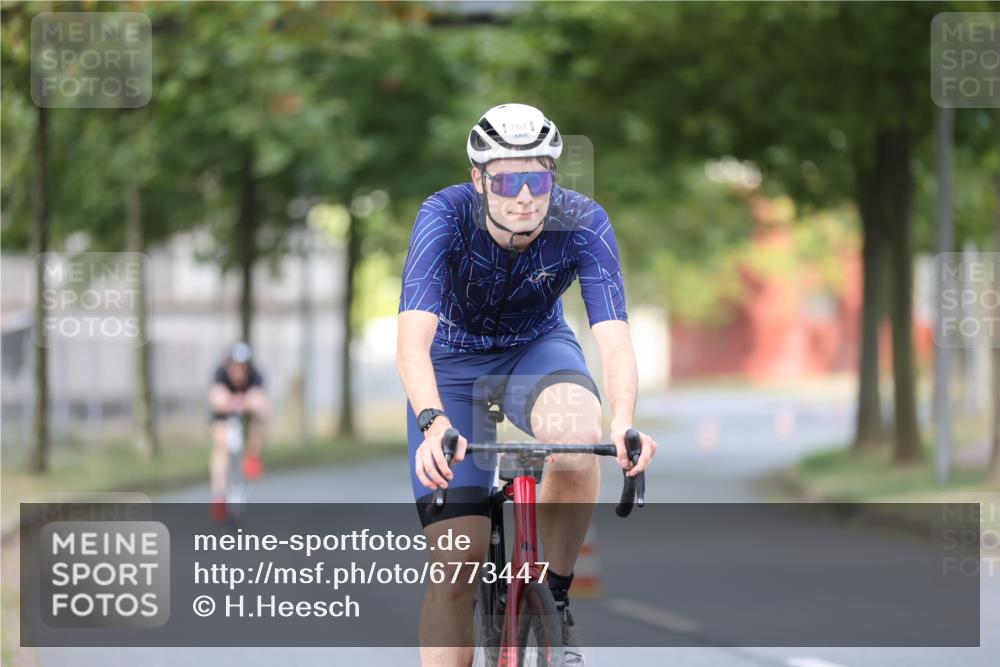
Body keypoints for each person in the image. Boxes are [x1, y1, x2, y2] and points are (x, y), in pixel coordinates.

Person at [397, 103, 658, 666]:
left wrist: (624, 421)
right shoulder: (443, 216)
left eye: (536, 179)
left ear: (552, 179)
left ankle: (554, 597)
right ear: (479, 180)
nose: (523, 196)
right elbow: (411, 340)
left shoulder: (583, 222)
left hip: (536, 351)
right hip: (453, 364)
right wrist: (430, 420)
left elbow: (613, 336)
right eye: (507, 180)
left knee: (575, 440)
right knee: (456, 567)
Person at [208, 341, 269, 521]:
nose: (239, 370)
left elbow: (260, 401)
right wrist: (240, 401)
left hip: (248, 415)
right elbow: (216, 398)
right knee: (221, 443)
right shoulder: (220, 373)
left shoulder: (256, 375)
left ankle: (253, 455)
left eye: (243, 366)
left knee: (261, 421)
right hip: (224, 416)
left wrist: (240, 402)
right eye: (235, 365)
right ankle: (219, 495)